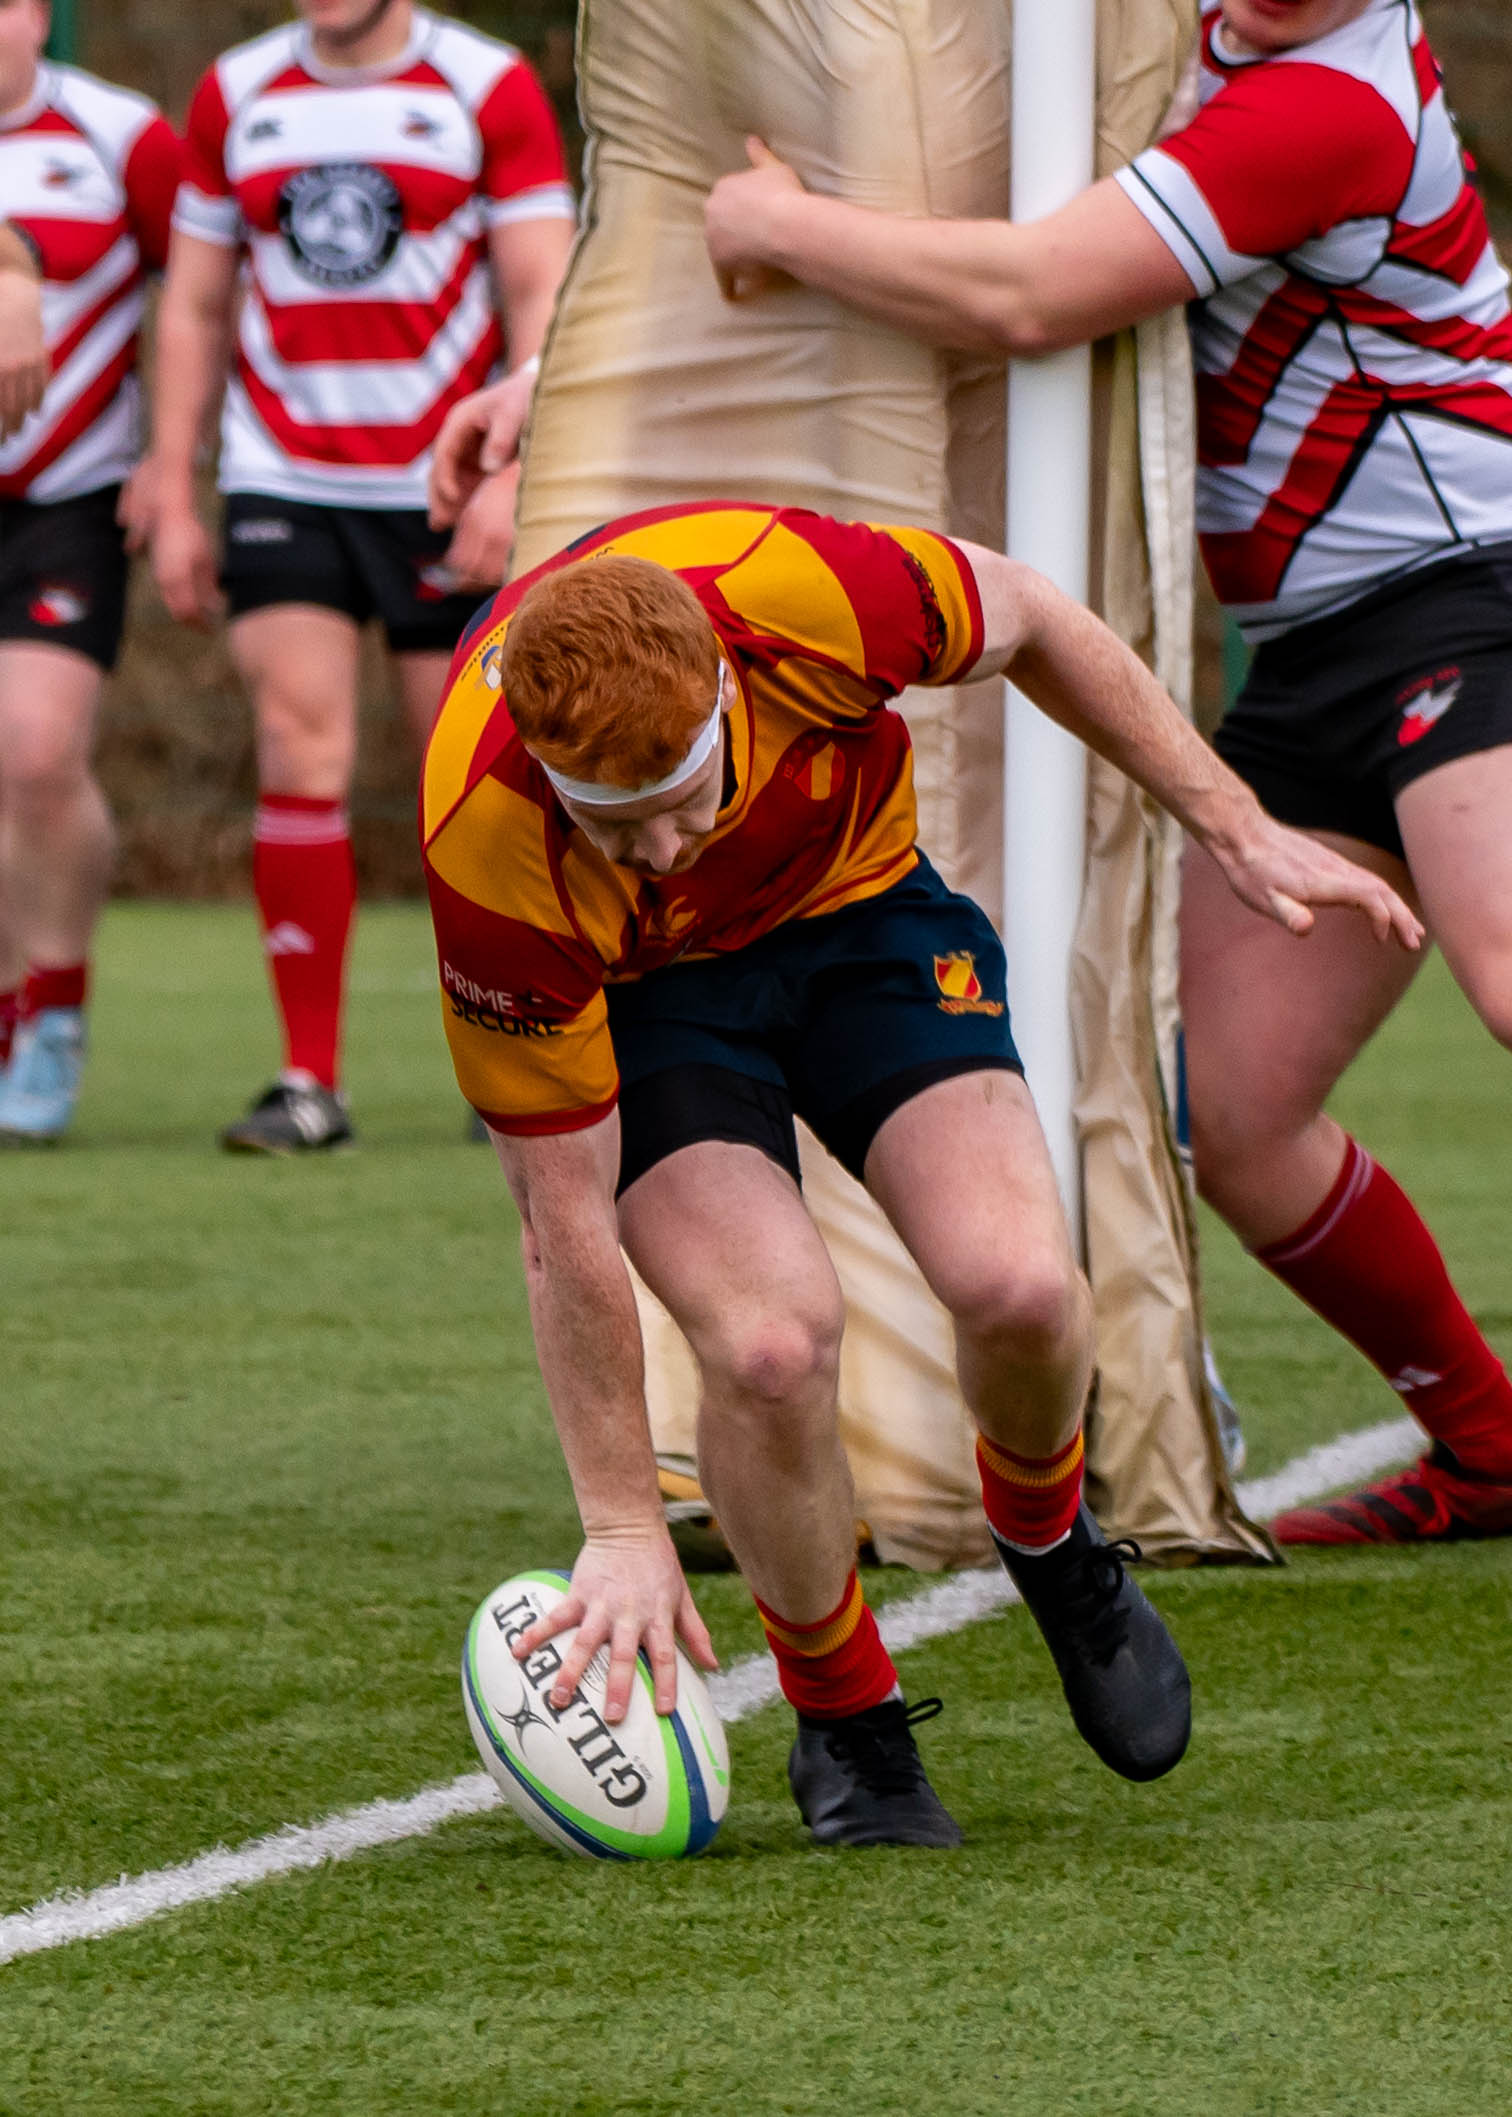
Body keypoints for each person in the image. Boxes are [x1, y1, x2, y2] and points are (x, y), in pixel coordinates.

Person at [422, 499, 1420, 1845]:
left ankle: (1053, 1547)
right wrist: (619, 1526)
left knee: (1023, 1290)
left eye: (680, 803)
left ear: (726, 692)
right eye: (617, 828)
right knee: (768, 1347)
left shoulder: (798, 593)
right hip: (649, 1002)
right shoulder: (484, 835)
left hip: (860, 919)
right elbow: (561, 1227)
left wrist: (1235, 826)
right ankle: (845, 1713)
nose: (662, 852)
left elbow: (1039, 617)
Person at [700, 0, 1512, 1548]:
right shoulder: (1185, 41)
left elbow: (1032, 292)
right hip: (1309, 651)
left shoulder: (1326, 101)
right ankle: (1489, 1446)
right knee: (1239, 1114)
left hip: (1468, 592)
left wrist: (780, 227)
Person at [139, 0, 574, 1154]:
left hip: (445, 478)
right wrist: (173, 486)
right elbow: (193, 304)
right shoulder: (236, 93)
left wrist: (513, 468)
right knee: (298, 745)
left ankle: (516, 1054)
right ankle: (307, 1084)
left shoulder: (485, 85)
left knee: (466, 776)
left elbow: (543, 290)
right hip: (282, 476)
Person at [0, 0, 180, 1142]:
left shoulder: (123, 138)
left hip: (67, 495)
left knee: (36, 751)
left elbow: (202, 288)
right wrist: (13, 263)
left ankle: (55, 1011)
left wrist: (173, 458)